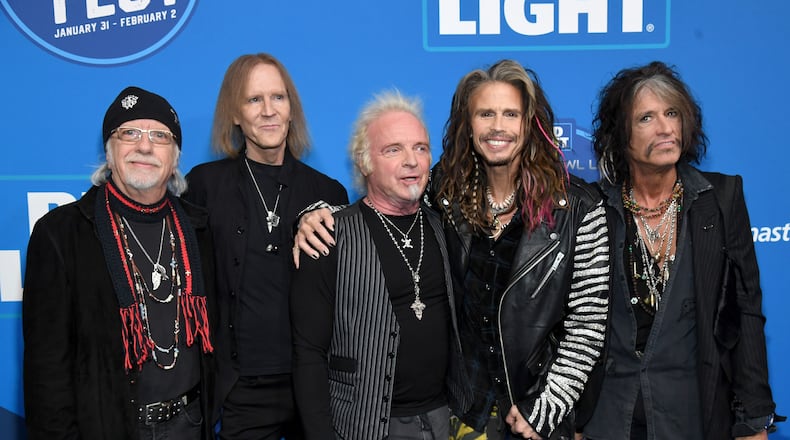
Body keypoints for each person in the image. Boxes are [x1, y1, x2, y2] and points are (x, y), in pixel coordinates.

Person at [295, 59, 610, 440]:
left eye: (511, 114)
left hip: (532, 414)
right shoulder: (447, 192)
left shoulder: (577, 206)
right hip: (462, 415)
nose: (498, 126)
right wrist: (316, 214)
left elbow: (588, 324)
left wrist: (544, 409)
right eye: (485, 113)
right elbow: (385, 201)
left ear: (530, 123)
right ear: (468, 124)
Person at [576, 61, 780, 439]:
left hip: (696, 416)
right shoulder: (593, 209)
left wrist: (754, 421)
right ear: (621, 137)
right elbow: (575, 324)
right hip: (610, 418)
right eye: (646, 118)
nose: (665, 127)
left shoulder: (721, 199)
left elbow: (747, 312)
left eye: (671, 113)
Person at [23, 86, 216, 439]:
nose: (144, 146)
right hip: (108, 427)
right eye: (129, 133)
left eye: (160, 136)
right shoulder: (61, 234)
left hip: (191, 423)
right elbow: (46, 371)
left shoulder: (199, 229)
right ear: (109, 153)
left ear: (174, 158)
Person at [183, 53, 348, 439]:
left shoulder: (327, 192)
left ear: (292, 109)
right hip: (240, 389)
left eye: (278, 97)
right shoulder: (204, 186)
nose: (269, 111)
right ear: (235, 114)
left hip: (313, 384)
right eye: (254, 100)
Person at [291, 90, 460, 439]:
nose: (411, 160)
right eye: (393, 149)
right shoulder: (327, 236)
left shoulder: (448, 227)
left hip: (445, 418)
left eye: (420, 148)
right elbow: (308, 353)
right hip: (363, 426)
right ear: (365, 162)